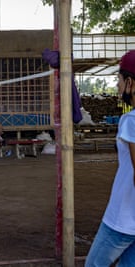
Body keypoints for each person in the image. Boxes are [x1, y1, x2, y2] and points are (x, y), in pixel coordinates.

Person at [85, 50, 135, 266]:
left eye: (119, 79)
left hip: (123, 218)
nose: (117, 85)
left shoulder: (130, 121)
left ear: (130, 82)